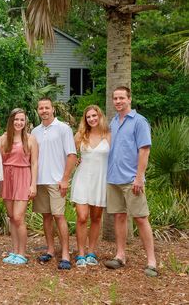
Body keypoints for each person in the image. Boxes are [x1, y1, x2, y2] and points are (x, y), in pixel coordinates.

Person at [104, 86, 157, 277]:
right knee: (119, 217)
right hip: (113, 179)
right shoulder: (113, 122)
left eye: (121, 98)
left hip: (131, 180)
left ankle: (151, 261)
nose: (118, 101)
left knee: (141, 218)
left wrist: (139, 177)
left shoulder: (139, 122)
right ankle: (120, 255)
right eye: (115, 98)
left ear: (129, 99)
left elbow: (144, 151)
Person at [31, 97, 77, 270]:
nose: (44, 111)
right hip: (40, 181)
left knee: (59, 216)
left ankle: (65, 254)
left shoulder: (63, 129)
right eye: (41, 108)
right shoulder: (35, 131)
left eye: (47, 108)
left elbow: (72, 155)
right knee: (46, 216)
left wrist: (65, 179)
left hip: (56, 181)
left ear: (53, 109)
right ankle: (50, 250)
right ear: (38, 110)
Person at [70, 105, 110, 267]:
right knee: (82, 217)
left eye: (94, 116)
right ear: (85, 120)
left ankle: (91, 252)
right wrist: (74, 162)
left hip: (100, 179)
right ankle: (80, 254)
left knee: (96, 218)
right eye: (88, 117)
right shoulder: (81, 135)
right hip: (82, 179)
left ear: (100, 116)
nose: (92, 119)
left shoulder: (108, 135)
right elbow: (69, 153)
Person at [0, 108, 38, 265]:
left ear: (25, 122)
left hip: (23, 176)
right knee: (11, 217)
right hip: (7, 178)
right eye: (16, 119)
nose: (19, 122)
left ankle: (22, 253)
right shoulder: (4, 139)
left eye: (22, 120)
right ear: (11, 121)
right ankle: (14, 251)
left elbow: (34, 163)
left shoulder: (30, 139)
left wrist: (33, 184)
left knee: (18, 217)